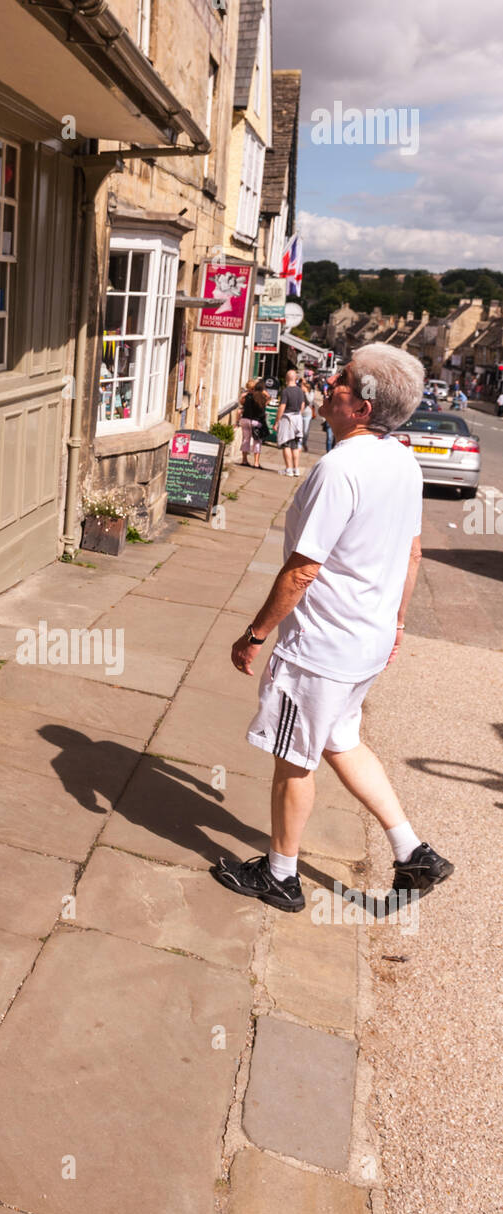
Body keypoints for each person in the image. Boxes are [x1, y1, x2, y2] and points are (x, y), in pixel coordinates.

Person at [213, 342, 453, 914]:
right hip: (365, 642)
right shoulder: (402, 461)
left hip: (322, 647)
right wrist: (396, 625)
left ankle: (282, 877)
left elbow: (302, 570)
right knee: (342, 741)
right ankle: (412, 850)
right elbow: (412, 554)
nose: (331, 384)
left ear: (363, 406)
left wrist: (254, 634)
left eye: (343, 380)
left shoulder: (340, 467)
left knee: (293, 758)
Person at [275, 368, 306, 476]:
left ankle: (288, 469)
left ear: (286, 378)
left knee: (286, 444)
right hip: (297, 418)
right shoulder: (300, 390)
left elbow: (282, 406)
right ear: (295, 378)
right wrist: (298, 415)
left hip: (287, 419)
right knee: (295, 445)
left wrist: (276, 422)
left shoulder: (286, 391)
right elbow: (302, 405)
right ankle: (296, 469)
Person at [239, 377, 269, 467]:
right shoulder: (260, 398)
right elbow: (268, 398)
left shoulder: (246, 396)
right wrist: (263, 392)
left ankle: (244, 460)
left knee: (245, 440)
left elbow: (241, 403)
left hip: (245, 420)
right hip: (255, 422)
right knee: (257, 441)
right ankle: (256, 462)